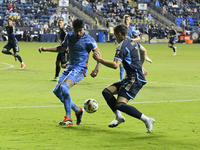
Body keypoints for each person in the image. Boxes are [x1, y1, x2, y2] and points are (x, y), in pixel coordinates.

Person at [93, 24, 155, 133]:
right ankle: (118, 117)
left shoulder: (121, 46)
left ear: (120, 34)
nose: (115, 38)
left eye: (115, 35)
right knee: (107, 91)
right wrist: (140, 66)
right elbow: (144, 52)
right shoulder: (133, 42)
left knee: (120, 104)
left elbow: (115, 65)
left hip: (134, 79)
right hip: (131, 77)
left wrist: (100, 60)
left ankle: (147, 120)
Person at [38, 18, 101, 126]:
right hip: (69, 68)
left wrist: (96, 69)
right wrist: (46, 49)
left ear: (83, 28)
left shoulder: (89, 40)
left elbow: (99, 55)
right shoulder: (69, 36)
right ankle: (78, 110)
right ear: (73, 28)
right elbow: (62, 48)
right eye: (76, 30)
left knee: (64, 87)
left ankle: (68, 118)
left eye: (80, 30)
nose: (78, 33)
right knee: (57, 91)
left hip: (80, 69)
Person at [119, 15, 152, 80]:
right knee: (123, 64)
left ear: (130, 20)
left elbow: (138, 38)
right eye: (125, 20)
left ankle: (122, 80)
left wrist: (131, 40)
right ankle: (122, 79)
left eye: (128, 20)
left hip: (129, 47)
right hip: (123, 47)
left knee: (123, 63)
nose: (126, 21)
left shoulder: (131, 29)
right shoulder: (121, 28)